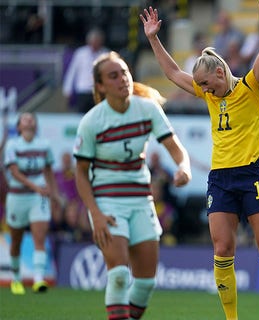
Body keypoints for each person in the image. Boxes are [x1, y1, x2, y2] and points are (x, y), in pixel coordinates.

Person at [140, 2, 259, 319]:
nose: (205, 90)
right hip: (221, 178)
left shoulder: (251, 89)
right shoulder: (209, 94)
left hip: (253, 174)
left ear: (221, 72)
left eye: (208, 83)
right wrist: (153, 38)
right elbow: (171, 73)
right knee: (222, 249)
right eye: (202, 87)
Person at [73, 51, 192, 319]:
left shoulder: (147, 109)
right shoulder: (92, 121)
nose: (122, 79)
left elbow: (175, 148)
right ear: (100, 86)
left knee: (146, 283)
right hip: (107, 200)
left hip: (141, 199)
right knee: (117, 275)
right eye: (113, 76)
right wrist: (96, 214)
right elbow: (81, 173)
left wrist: (183, 168)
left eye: (124, 73)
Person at [4, 112, 60, 295]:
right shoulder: (12, 145)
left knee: (39, 237)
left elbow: (49, 170)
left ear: (35, 125)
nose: (29, 121)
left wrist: (54, 193)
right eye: (25, 119)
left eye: (32, 119)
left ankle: (38, 279)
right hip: (17, 196)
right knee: (16, 241)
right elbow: (14, 172)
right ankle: (17, 278)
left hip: (39, 197)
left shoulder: (44, 145)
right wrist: (36, 187)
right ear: (19, 126)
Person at [62, 28, 109, 113]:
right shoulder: (80, 53)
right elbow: (72, 72)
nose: (94, 45)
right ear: (89, 41)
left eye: (97, 42)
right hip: (82, 90)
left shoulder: (105, 54)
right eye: (93, 42)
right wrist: (67, 89)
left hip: (98, 90)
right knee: (82, 116)